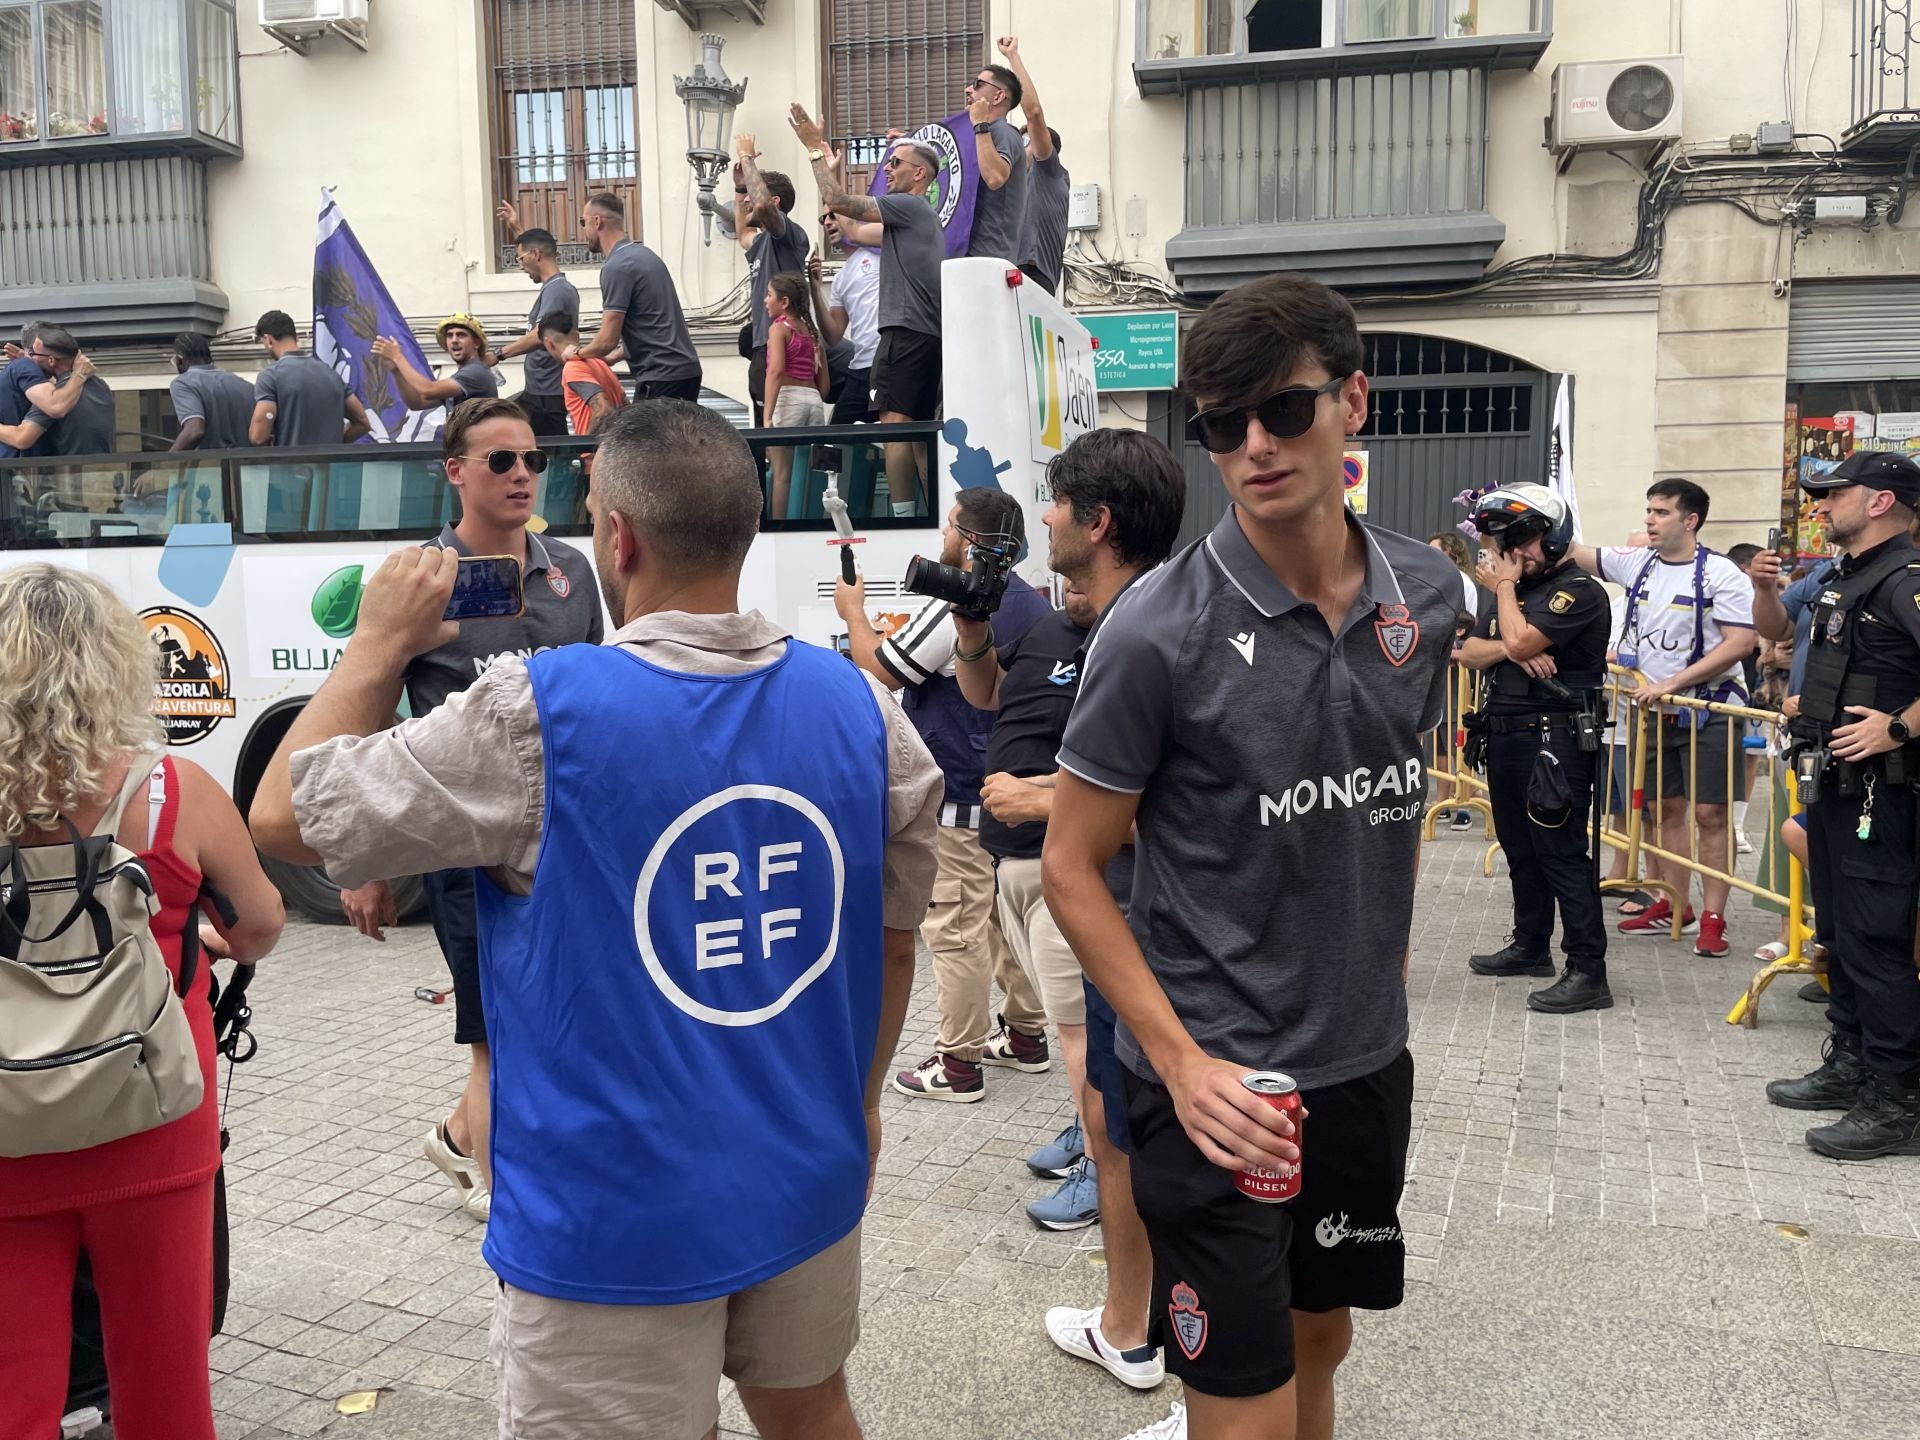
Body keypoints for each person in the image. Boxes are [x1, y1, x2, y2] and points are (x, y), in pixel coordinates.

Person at [250, 398, 940, 1439]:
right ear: (746, 530)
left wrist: (380, 642)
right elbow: (894, 940)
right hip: (806, 1169)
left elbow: (282, 814)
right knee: (810, 1409)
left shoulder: (534, 712)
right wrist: (867, 1102)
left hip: (610, 1221)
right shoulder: (863, 711)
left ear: (617, 537)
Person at [1043, 273, 1459, 1440]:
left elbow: (1393, 791)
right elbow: (1074, 868)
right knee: (1242, 1408)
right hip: (1220, 1083)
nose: (1256, 445)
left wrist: (1387, 955)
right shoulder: (1155, 630)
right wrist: (1177, 1066)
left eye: (1285, 409)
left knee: (1322, 1341)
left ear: (1354, 402)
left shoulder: (1423, 595)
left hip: (1363, 1064)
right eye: (1225, 425)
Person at [0, 565, 284, 1440]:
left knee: (14, 1390)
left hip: (8, 1126)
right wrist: (190, 934)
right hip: (153, 1117)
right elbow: (263, 925)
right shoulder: (173, 791)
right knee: (165, 1386)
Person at [325, 397, 600, 1223]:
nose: (522, 474)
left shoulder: (571, 572)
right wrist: (366, 865)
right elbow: (367, 717)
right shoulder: (415, 581)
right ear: (454, 471)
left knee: (561, 1012)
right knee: (495, 1030)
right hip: (465, 849)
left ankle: (458, 1134)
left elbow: (599, 695)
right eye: (500, 461)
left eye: (532, 460)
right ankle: (499, 1185)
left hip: (568, 838)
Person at [955, 430, 1183, 1384]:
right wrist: (972, 627)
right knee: (1118, 1131)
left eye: (1054, 502)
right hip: (1099, 906)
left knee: (1135, 1130)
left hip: (1135, 922)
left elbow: (1182, 796)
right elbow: (988, 696)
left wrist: (1043, 800)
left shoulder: (1155, 630)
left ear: (1097, 521)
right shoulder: (1094, 619)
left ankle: (1156, 1338)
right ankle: (1131, 1321)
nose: (1040, 518)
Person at [835, 488, 1056, 1103]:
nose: (942, 538)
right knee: (999, 923)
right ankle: (1025, 1035)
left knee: (954, 928)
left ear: (972, 539)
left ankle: (956, 1064)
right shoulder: (1031, 604)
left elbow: (878, 670)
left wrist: (853, 613)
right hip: (1006, 787)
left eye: (950, 526)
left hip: (957, 790)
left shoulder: (964, 600)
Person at [1759, 451, 1920, 1162]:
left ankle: (1898, 1101)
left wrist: (1901, 724)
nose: (1821, 506)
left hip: (1883, 792)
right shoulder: (1848, 578)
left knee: (1878, 943)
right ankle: (1852, 1064)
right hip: (1834, 785)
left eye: (1834, 494)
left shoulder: (1906, 580)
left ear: (1882, 501)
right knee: (1844, 936)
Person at [1563, 480, 1756, 958]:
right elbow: (1574, 551)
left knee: (1711, 815)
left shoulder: (1722, 573)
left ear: (1690, 521)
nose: (1650, 519)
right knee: (1662, 811)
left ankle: (1714, 917)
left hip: (1709, 708)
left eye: (1662, 512)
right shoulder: (1638, 563)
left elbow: (1740, 643)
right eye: (1648, 510)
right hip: (1652, 712)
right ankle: (1676, 905)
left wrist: (1674, 683)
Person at [1454, 485, 1614, 1013]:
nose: (1513, 553)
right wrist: (1511, 648)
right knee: (1520, 849)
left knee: (1562, 854)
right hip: (1506, 734)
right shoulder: (1520, 594)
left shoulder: (1577, 591)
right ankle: (1530, 945)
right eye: (1507, 543)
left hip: (1558, 739)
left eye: (1523, 540)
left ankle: (1588, 970)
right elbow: (1469, 652)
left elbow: (1523, 642)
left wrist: (1504, 598)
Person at [793, 105, 944, 518]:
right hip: (922, 336)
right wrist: (830, 170)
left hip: (905, 334)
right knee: (916, 438)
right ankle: (931, 516)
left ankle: (903, 523)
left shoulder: (910, 208)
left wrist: (812, 151)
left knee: (894, 427)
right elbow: (853, 227)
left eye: (895, 162)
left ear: (920, 175)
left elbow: (840, 202)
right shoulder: (916, 219)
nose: (887, 168)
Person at [567, 193, 703, 402]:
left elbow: (606, 341)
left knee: (643, 436)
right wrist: (617, 356)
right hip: (686, 372)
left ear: (597, 221)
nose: (583, 230)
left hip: (661, 377)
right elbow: (653, 323)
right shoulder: (645, 255)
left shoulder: (617, 266)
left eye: (583, 222)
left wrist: (575, 353)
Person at [734, 134, 811, 427]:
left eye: (752, 197)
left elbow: (764, 209)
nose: (746, 203)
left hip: (780, 349)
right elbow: (742, 233)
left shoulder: (788, 235)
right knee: (765, 440)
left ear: (774, 201)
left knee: (777, 436)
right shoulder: (761, 241)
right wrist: (741, 186)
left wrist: (747, 158)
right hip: (761, 346)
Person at [493, 210, 581, 437]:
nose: (520, 266)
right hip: (539, 392)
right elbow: (534, 246)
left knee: (553, 459)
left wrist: (498, 355)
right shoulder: (554, 288)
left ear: (535, 255)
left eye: (521, 259)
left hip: (547, 394)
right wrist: (517, 229)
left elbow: (539, 334)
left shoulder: (558, 290)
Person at [995, 37, 1069, 295]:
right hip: (1013, 268)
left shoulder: (1048, 172)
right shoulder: (1016, 182)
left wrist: (1012, 57)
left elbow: (1034, 113)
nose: (1019, 145)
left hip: (1031, 271)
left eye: (1025, 140)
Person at [764, 273, 832, 521]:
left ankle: (781, 530)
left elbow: (776, 371)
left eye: (769, 295)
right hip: (813, 401)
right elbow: (824, 388)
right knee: (812, 473)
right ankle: (811, 523)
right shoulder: (812, 334)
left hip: (788, 399)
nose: (765, 300)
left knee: (782, 473)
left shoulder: (779, 328)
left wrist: (767, 416)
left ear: (784, 302)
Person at [249, 310, 371, 447]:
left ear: (269, 339)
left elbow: (258, 437)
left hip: (289, 466)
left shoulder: (271, 376)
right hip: (330, 466)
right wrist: (335, 442)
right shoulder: (331, 374)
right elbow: (362, 422)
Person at [808, 212, 880, 425]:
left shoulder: (882, 254)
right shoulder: (841, 278)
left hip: (886, 362)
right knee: (837, 437)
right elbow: (833, 334)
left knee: (896, 432)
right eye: (822, 219)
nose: (827, 222)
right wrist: (815, 289)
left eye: (832, 215)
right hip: (860, 367)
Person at [0, 324, 114, 456]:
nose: (30, 360)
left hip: (69, 472)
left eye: (32, 354)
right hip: (103, 466)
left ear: (52, 361)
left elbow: (22, 438)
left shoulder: (57, 396)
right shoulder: (100, 386)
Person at [962, 60, 1031, 265]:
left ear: (998, 96)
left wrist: (981, 124)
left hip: (988, 259)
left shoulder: (1004, 132)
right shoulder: (979, 135)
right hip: (971, 256)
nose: (968, 89)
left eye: (977, 84)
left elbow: (995, 177)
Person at [372, 313, 500, 419]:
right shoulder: (461, 377)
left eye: (461, 335)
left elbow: (428, 390)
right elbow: (416, 403)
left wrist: (398, 357)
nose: (454, 340)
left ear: (476, 343)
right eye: (450, 335)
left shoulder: (476, 372)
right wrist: (396, 370)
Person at [539, 316, 627, 437]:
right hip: (616, 448)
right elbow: (626, 406)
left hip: (596, 452)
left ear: (549, 343)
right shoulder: (600, 362)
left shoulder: (573, 367)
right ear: (577, 335)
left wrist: (583, 445)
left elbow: (604, 410)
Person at [167, 333, 256, 451]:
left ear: (180, 360)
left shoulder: (183, 384)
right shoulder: (245, 385)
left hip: (215, 466)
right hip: (254, 465)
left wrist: (167, 462)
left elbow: (194, 431)